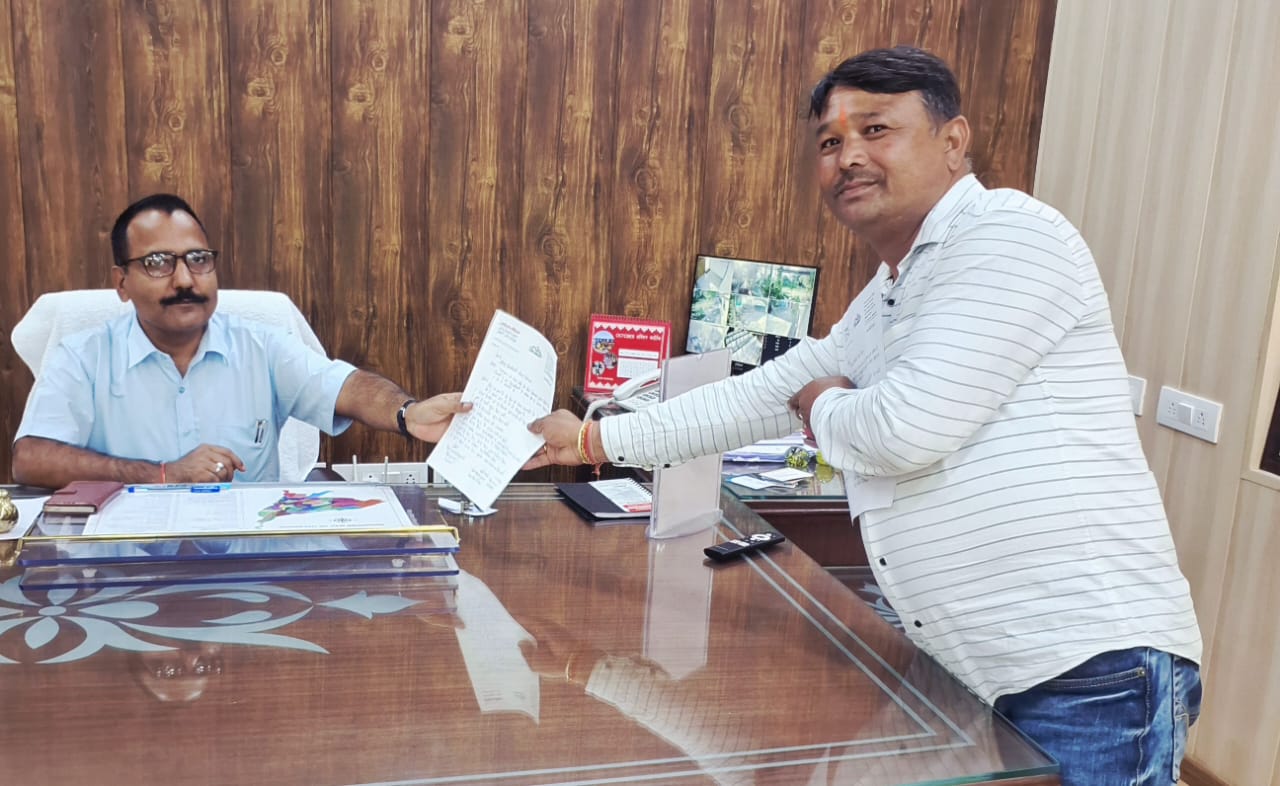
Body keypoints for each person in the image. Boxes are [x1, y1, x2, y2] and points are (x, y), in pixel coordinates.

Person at [527, 46, 1202, 785]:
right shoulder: (888, 294)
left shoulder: (1010, 234)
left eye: (876, 130)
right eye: (830, 141)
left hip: (1085, 670)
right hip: (962, 669)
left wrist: (821, 402)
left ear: (953, 141)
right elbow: (756, 394)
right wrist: (589, 439)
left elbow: (903, 432)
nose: (848, 156)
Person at [12, 193, 469, 488]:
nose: (184, 280)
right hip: (124, 561)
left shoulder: (261, 346)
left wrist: (408, 414)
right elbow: (31, 458)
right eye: (158, 263)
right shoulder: (83, 356)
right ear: (121, 283)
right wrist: (162, 474)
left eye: (198, 259)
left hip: (249, 563)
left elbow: (345, 387)